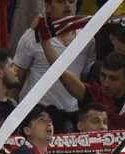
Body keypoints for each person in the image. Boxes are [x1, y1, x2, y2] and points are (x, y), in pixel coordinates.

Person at [13, 0, 97, 130]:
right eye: (61, 1)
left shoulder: (88, 39)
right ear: (47, 6)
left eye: (71, 1)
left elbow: (84, 80)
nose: (67, 5)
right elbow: (15, 81)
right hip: (37, 114)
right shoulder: (32, 36)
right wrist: (13, 119)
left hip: (71, 115)